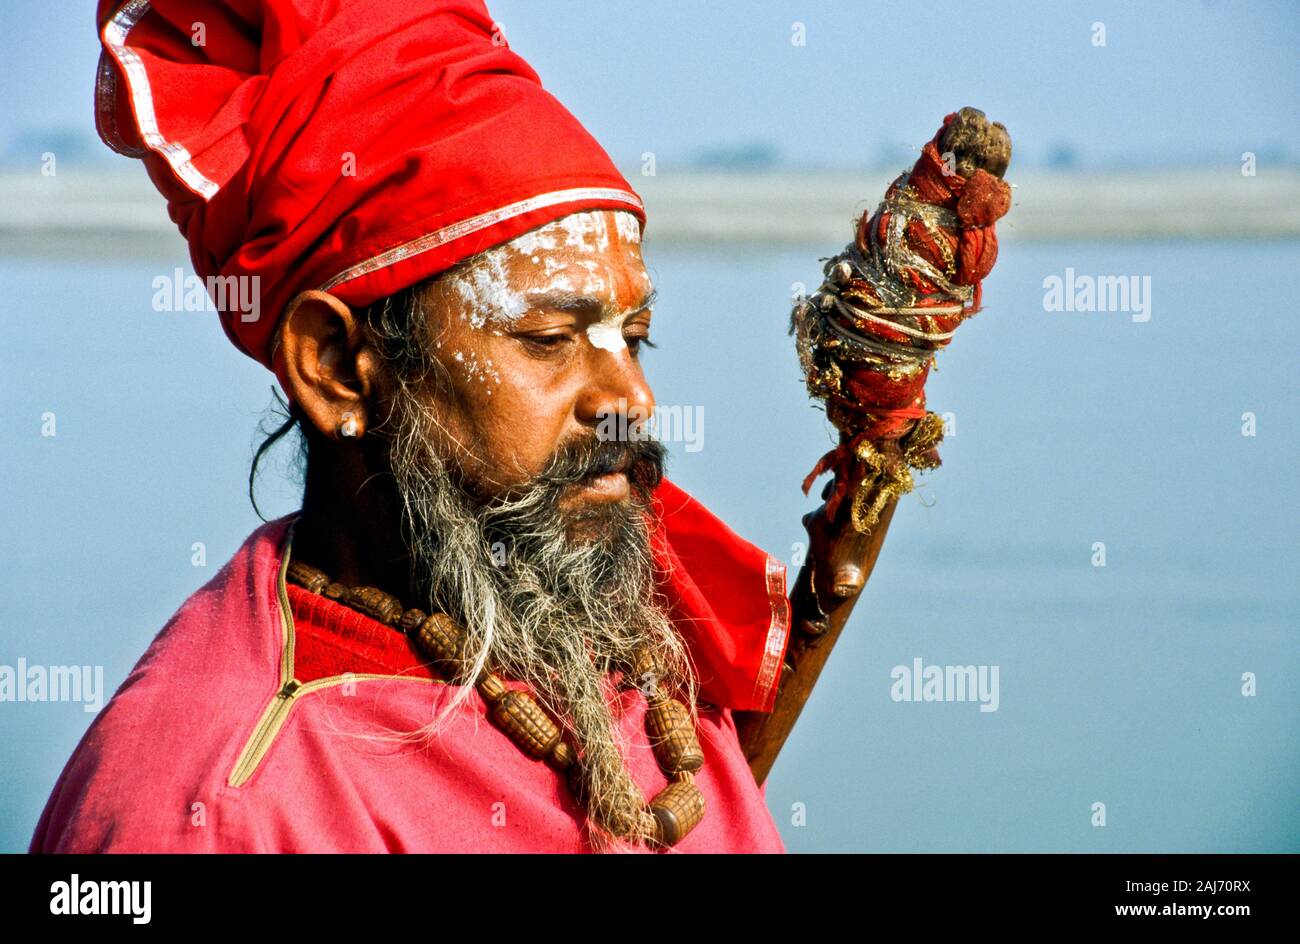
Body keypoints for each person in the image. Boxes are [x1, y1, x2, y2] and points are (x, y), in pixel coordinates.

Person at [32, 0, 794, 853]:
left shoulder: (603, 629)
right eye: (550, 340)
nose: (634, 399)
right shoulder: (223, 811)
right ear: (335, 368)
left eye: (636, 337)